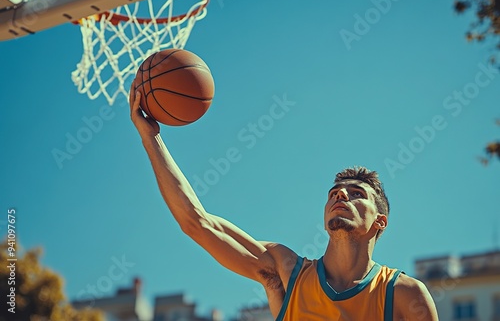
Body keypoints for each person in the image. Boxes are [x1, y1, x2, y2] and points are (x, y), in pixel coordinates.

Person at [129, 89, 439, 321]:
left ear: (380, 222)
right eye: (334, 193)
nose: (340, 196)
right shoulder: (286, 273)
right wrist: (150, 138)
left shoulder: (403, 294)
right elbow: (197, 223)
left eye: (356, 193)